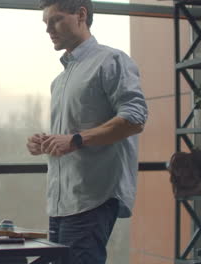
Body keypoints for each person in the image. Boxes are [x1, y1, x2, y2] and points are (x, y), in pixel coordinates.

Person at [26, 0, 148, 263]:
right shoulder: (59, 81)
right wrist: (45, 142)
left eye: (56, 20)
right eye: (45, 23)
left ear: (81, 15)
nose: (48, 29)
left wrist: (77, 139)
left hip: (93, 197)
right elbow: (70, 136)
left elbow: (135, 118)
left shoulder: (111, 60)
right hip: (61, 201)